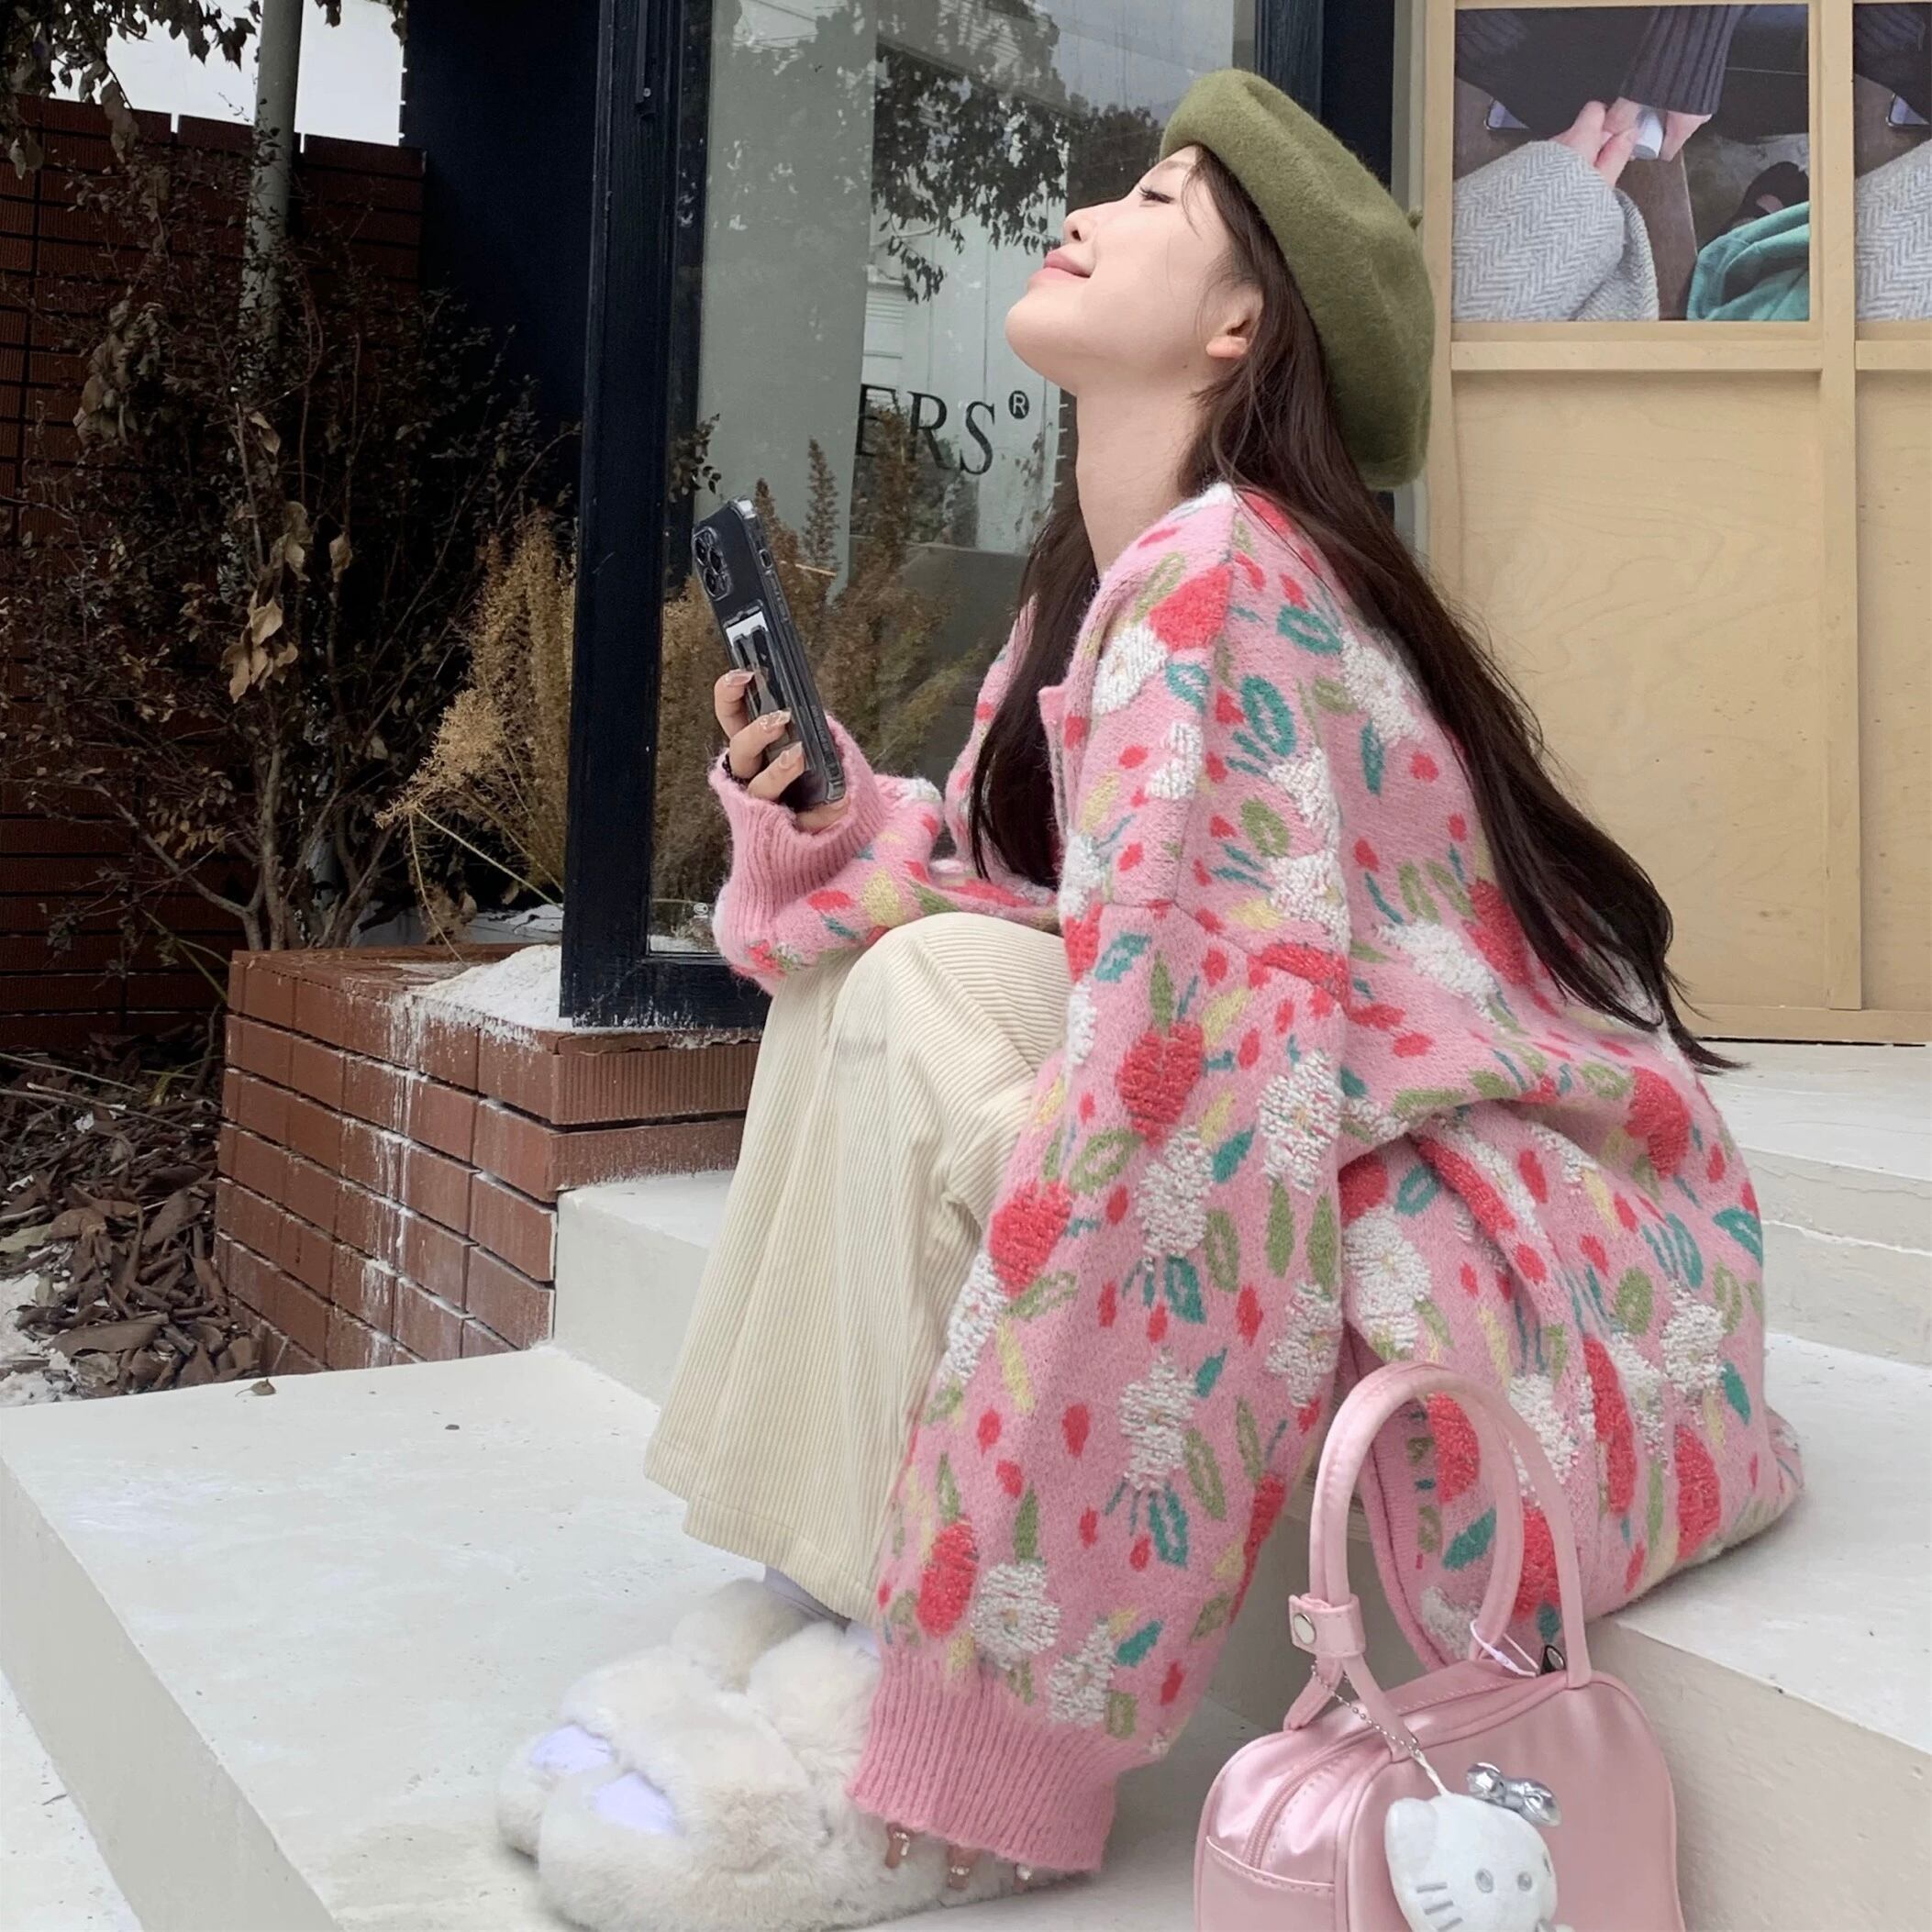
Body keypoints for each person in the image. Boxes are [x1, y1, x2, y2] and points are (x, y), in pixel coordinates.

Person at [497, 68, 1803, 1932]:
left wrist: (1006, 1729)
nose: (1089, 209)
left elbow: (1191, 1110)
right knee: (894, 966)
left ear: (1238, 325)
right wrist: (836, 824)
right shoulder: (1121, 580)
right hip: (1360, 1163)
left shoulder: (1219, 580)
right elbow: (1080, 927)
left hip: (1471, 1253)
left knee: (946, 997)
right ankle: (837, 1595)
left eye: (1162, 201)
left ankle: (912, 1730)